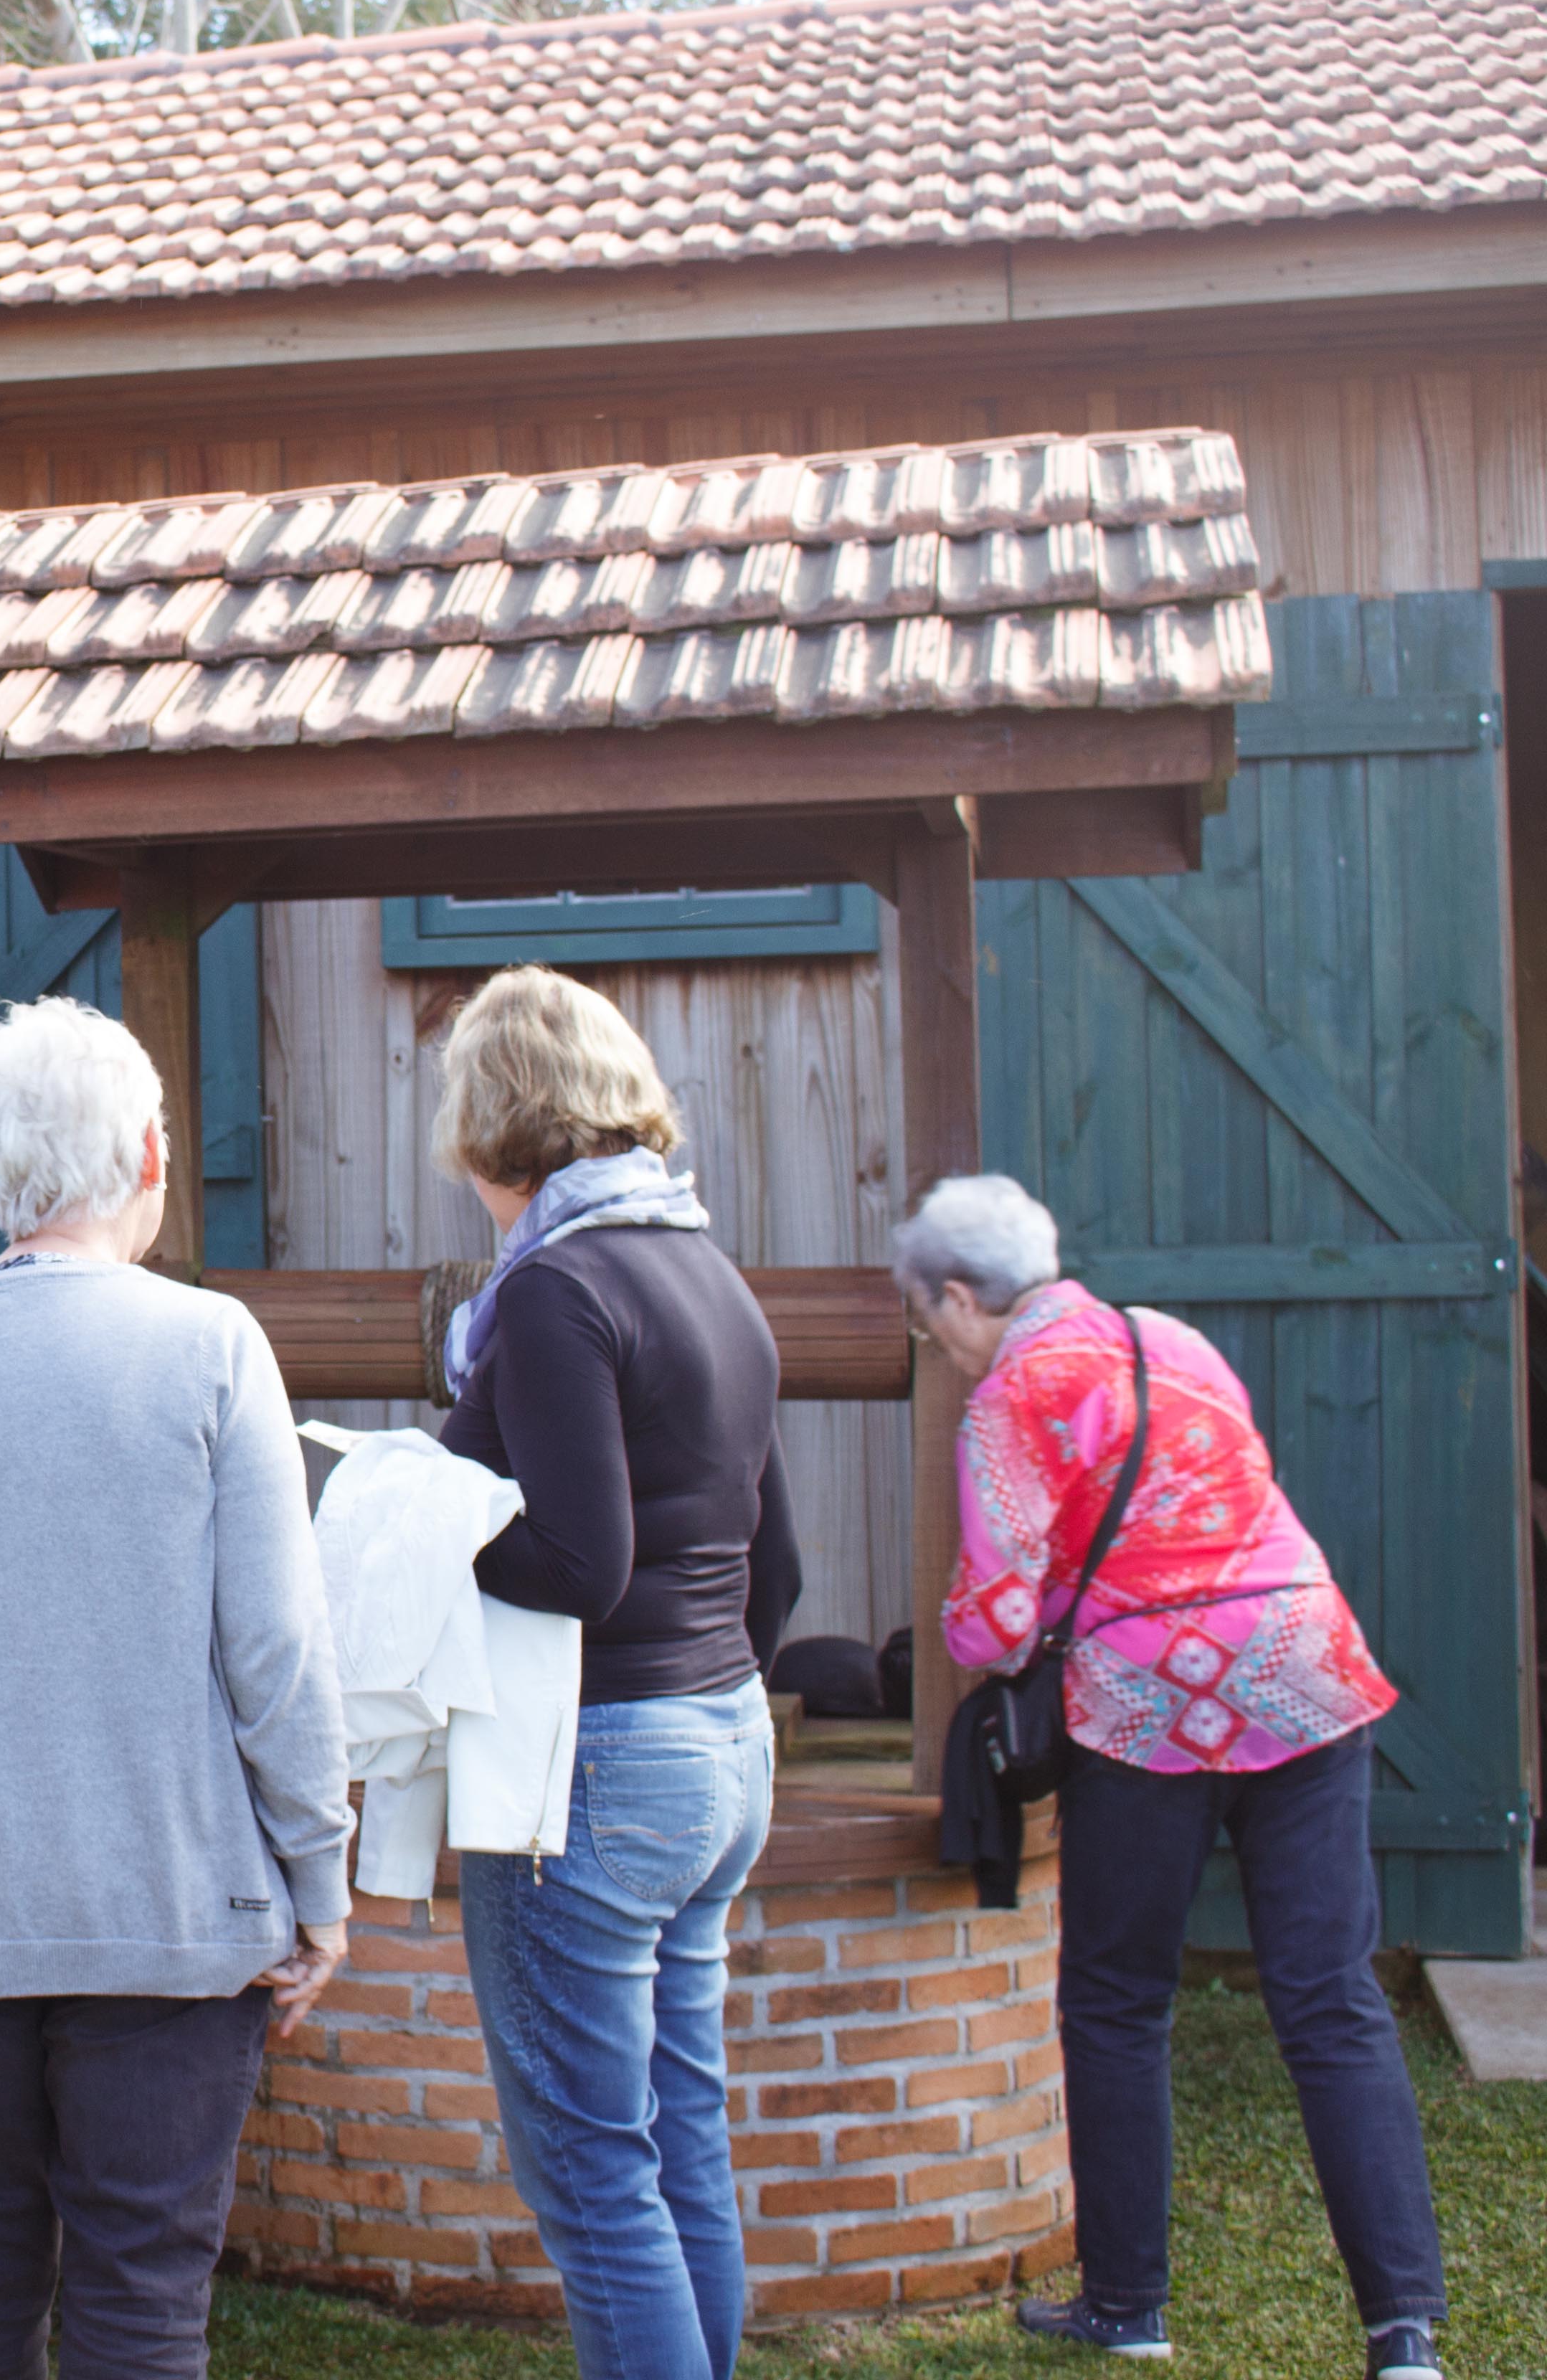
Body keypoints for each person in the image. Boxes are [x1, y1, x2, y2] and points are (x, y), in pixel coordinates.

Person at [0, 995, 350, 2380]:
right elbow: (274, 1653)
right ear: (150, 1158)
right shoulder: (213, 1348)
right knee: (140, 2296)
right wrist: (319, 1878)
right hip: (162, 1898)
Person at [902, 1174, 1441, 2380]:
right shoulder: (1178, 1342)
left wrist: (965, 1625)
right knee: (1330, 2000)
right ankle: (1400, 2332)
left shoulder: (1008, 1397)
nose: (933, 1346)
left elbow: (990, 1626)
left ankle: (1127, 2306)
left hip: (1148, 1709)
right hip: (1306, 1671)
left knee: (1113, 2001)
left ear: (954, 1296)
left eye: (926, 1321)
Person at [428, 965, 799, 2380]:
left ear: (495, 1119)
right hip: (721, 1747)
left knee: (592, 2184)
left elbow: (580, 1565)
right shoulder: (711, 1271)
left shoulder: (555, 1294)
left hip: (593, 1768)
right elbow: (779, 1573)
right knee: (677, 2145)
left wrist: (426, 1531)